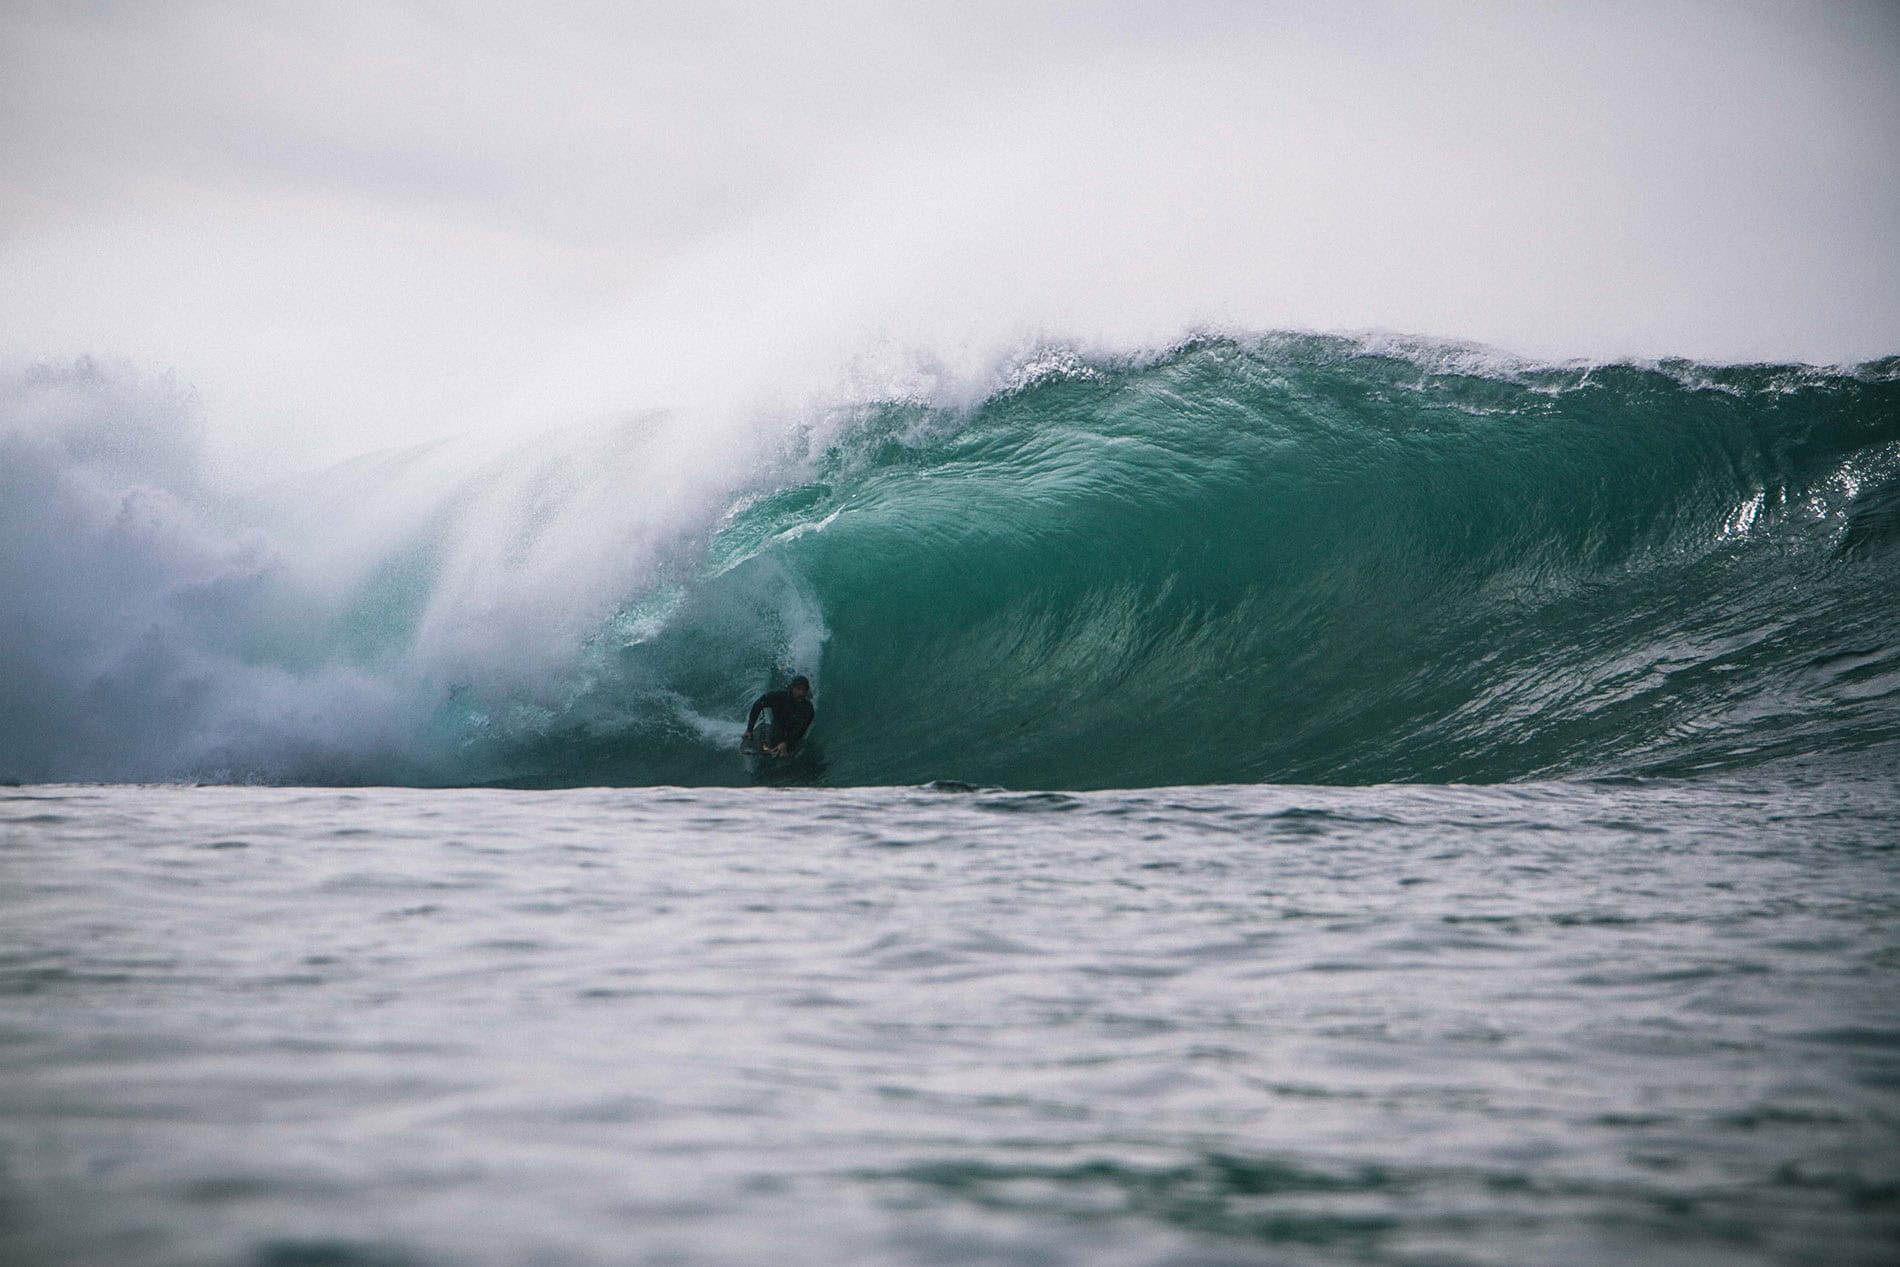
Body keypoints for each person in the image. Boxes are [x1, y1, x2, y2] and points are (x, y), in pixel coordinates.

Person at [744, 675, 814, 757]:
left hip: (793, 734)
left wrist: (786, 743)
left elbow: (800, 729)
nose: (801, 693)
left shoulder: (808, 709)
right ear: (792, 688)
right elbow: (758, 705)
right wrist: (749, 729)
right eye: (798, 689)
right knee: (774, 739)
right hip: (777, 729)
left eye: (804, 690)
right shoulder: (779, 697)